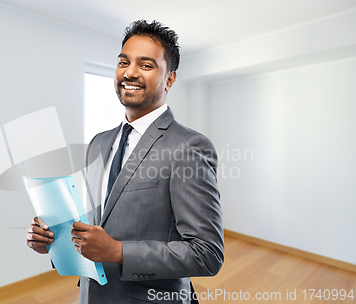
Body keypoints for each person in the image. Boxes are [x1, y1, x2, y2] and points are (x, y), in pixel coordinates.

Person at [27, 20, 224, 304]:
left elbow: (207, 254)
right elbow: (98, 224)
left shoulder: (189, 147)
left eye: (146, 65)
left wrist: (118, 251)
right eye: (123, 62)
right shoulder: (99, 142)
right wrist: (54, 243)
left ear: (169, 79)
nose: (129, 72)